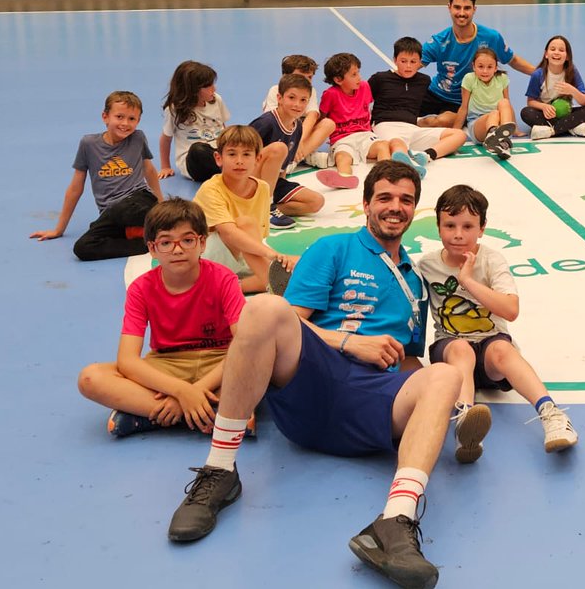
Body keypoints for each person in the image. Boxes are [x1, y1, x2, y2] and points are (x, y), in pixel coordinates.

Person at [166, 161, 460, 589]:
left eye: (405, 200)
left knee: (444, 376)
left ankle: (395, 521)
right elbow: (289, 321)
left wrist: (444, 408)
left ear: (414, 210)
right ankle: (220, 470)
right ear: (365, 204)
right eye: (385, 197)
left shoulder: (415, 283)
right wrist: (346, 341)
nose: (395, 207)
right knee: (266, 307)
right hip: (315, 380)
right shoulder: (334, 248)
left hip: (374, 401)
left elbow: (410, 364)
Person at [416, 185, 578, 464]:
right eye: (450, 225)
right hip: (451, 352)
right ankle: (465, 421)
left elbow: (511, 310)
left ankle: (551, 414)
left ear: (482, 228)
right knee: (461, 350)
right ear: (438, 226)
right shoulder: (427, 265)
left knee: (503, 350)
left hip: (491, 350)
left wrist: (467, 280)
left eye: (468, 226)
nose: (458, 234)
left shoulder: (491, 260)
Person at [77, 198, 246, 438]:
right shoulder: (141, 288)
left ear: (202, 243)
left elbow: (243, 345)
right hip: (168, 365)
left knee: (264, 363)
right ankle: (213, 415)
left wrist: (196, 389)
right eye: (166, 242)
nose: (177, 249)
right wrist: (180, 391)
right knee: (91, 378)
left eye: (187, 240)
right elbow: (127, 360)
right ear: (152, 248)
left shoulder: (223, 279)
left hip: (220, 362)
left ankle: (151, 415)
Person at [31, 90, 162, 260]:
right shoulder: (89, 144)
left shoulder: (138, 138)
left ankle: (153, 227)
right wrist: (59, 229)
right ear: (105, 117)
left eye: (132, 119)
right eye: (119, 117)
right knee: (83, 248)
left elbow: (149, 170)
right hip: (111, 211)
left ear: (138, 121)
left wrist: (162, 205)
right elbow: (75, 188)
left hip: (139, 200)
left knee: (127, 209)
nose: (125, 123)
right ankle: (145, 243)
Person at [193, 126, 297, 295]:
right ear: (219, 158)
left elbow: (259, 236)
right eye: (232, 154)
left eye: (247, 154)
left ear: (257, 159)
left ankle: (232, 286)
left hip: (243, 253)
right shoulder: (210, 189)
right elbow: (229, 233)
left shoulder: (262, 188)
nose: (239, 160)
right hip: (207, 256)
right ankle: (275, 290)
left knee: (300, 263)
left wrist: (274, 258)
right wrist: (271, 255)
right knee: (246, 223)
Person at [419, 0, 535, 128]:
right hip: (435, 93)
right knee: (400, 113)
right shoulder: (439, 40)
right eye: (457, 7)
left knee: (440, 121)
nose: (462, 13)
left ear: (474, 9)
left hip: (462, 101)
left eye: (467, 8)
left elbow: (513, 60)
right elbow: (412, 65)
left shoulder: (491, 37)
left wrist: (541, 74)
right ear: (449, 8)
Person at [368, 36, 467, 174]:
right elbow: (360, 101)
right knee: (397, 143)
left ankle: (425, 156)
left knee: (459, 135)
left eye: (413, 61)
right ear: (395, 60)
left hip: (412, 129)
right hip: (385, 126)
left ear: (420, 62)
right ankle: (408, 168)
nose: (408, 66)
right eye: (403, 61)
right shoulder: (380, 78)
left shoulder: (424, 81)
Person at [249, 73, 326, 230]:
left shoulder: (297, 127)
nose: (297, 104)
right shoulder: (266, 123)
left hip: (272, 183)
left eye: (303, 100)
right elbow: (241, 153)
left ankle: (257, 211)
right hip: (249, 179)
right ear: (279, 98)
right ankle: (267, 207)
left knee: (316, 202)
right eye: (292, 98)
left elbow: (282, 169)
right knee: (279, 148)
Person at [316, 52, 388, 191]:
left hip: (364, 134)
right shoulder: (330, 94)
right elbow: (322, 117)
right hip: (341, 138)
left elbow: (367, 106)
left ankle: (386, 174)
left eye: (358, 72)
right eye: (354, 75)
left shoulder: (365, 87)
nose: (359, 77)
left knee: (383, 146)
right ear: (338, 79)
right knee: (342, 157)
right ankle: (344, 177)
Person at [159, 61, 229, 183]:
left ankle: (230, 169)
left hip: (218, 155)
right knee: (198, 150)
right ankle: (231, 171)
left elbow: (223, 126)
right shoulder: (175, 110)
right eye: (208, 86)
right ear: (192, 90)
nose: (214, 88)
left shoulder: (216, 100)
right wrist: (165, 166)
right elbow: (165, 138)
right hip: (195, 162)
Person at [261, 53, 335, 167]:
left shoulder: (310, 91)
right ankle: (303, 156)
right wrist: (294, 142)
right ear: (285, 76)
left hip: (299, 137)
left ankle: (294, 159)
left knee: (328, 124)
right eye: (300, 77)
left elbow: (313, 115)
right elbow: (272, 124)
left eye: (310, 77)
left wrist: (298, 142)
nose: (307, 82)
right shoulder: (275, 91)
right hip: (280, 137)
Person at [520, 35, 585, 140]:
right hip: (546, 114)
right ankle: (570, 126)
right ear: (546, 54)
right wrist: (544, 107)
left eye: (561, 50)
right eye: (552, 49)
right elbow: (530, 102)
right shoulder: (538, 74)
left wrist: (573, 90)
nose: (556, 52)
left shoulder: (572, 72)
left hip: (567, 113)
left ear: (567, 56)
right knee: (526, 113)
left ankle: (551, 130)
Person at [454, 47, 517, 161]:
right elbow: (464, 107)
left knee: (504, 102)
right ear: (474, 66)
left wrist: (515, 127)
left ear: (495, 68)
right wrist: (454, 132)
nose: (485, 71)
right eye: (480, 66)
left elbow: (508, 104)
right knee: (494, 113)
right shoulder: (469, 79)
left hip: (500, 123)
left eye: (489, 67)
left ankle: (504, 136)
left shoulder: (502, 78)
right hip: (478, 125)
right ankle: (492, 137)